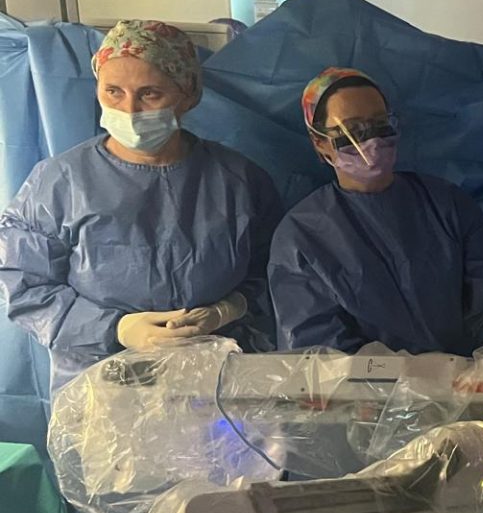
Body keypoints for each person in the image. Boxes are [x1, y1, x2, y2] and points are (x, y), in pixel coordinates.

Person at [0, 20, 282, 393]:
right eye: (113, 91)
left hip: (216, 382)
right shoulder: (59, 183)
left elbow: (275, 271)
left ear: (188, 94)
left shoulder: (239, 181)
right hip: (101, 391)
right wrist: (117, 328)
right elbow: (24, 285)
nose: (129, 110)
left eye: (150, 94)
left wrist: (229, 308)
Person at [268, 67, 483, 355]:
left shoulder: (447, 205)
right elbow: (321, 356)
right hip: (363, 383)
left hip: (462, 376)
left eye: (379, 124)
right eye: (353, 129)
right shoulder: (301, 237)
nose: (372, 141)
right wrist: (398, 378)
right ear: (320, 143)